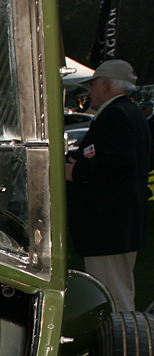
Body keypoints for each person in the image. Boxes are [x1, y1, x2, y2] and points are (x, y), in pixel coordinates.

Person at [65, 60, 151, 311]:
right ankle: (125, 341)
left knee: (112, 294)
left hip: (108, 225)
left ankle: (124, 346)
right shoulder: (131, 113)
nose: (90, 92)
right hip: (120, 224)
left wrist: (76, 171)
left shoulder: (115, 115)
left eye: (93, 86)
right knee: (119, 288)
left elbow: (118, 160)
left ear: (105, 85)